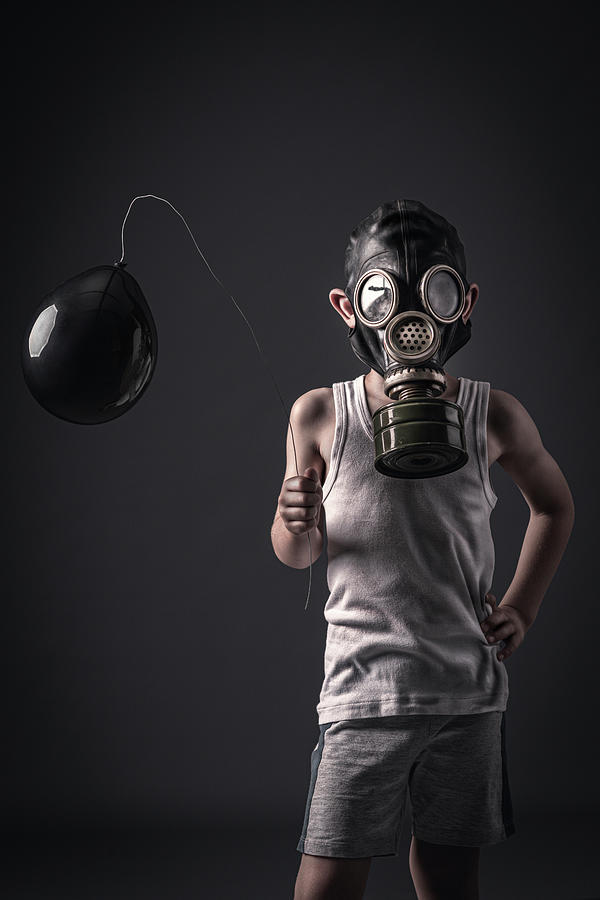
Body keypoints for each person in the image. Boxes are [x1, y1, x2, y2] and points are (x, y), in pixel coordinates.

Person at [270, 200, 575, 900]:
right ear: (350, 307)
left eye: (433, 293)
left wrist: (522, 607)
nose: (411, 320)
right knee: (326, 886)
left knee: (446, 879)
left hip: (464, 699)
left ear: (462, 302)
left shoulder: (490, 413)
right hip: (361, 695)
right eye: (384, 295)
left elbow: (555, 505)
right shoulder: (319, 414)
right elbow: (297, 552)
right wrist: (294, 518)